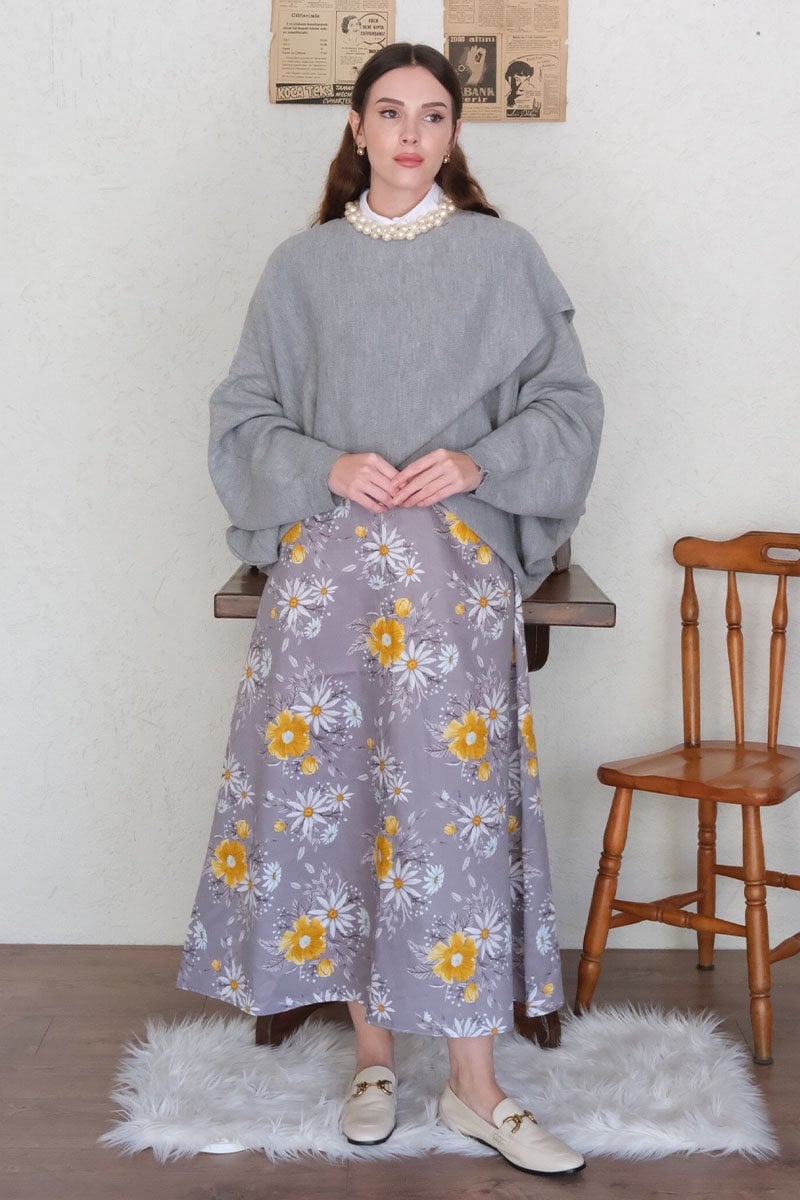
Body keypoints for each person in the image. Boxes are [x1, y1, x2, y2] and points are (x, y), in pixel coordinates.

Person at [178, 41, 602, 1176]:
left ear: (454, 134)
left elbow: (569, 405)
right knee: (343, 811)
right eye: (388, 111)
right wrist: (325, 464)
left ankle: (476, 1087)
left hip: (451, 588)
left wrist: (475, 462)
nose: (410, 133)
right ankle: (371, 1060)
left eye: (432, 114)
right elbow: (241, 417)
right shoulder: (300, 269)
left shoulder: (504, 257)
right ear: (357, 128)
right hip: (325, 592)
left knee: (449, 815)